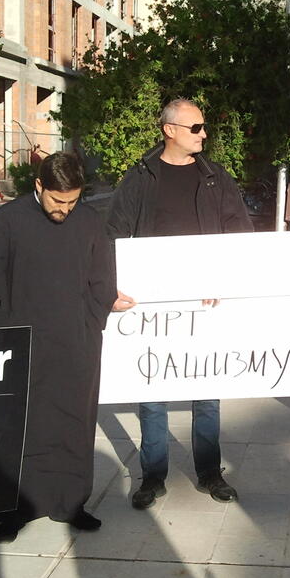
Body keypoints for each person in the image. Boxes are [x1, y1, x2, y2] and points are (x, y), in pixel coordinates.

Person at [107, 98, 253, 510]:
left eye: (203, 127)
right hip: (153, 305)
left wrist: (224, 280)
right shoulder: (140, 177)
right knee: (153, 393)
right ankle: (153, 477)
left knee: (207, 392)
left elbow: (240, 233)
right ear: (169, 130)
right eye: (196, 128)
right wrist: (110, 287)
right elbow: (112, 233)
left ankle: (210, 472)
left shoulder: (215, 178)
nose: (204, 134)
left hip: (206, 301)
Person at [0, 152, 116, 543]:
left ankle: (71, 503)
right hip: (21, 345)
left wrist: (90, 326)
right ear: (39, 186)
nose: (65, 209)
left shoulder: (90, 221)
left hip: (77, 344)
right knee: (22, 427)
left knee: (74, 424)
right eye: (57, 200)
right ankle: (15, 508)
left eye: (72, 201)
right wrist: (4, 338)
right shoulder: (6, 222)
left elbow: (103, 283)